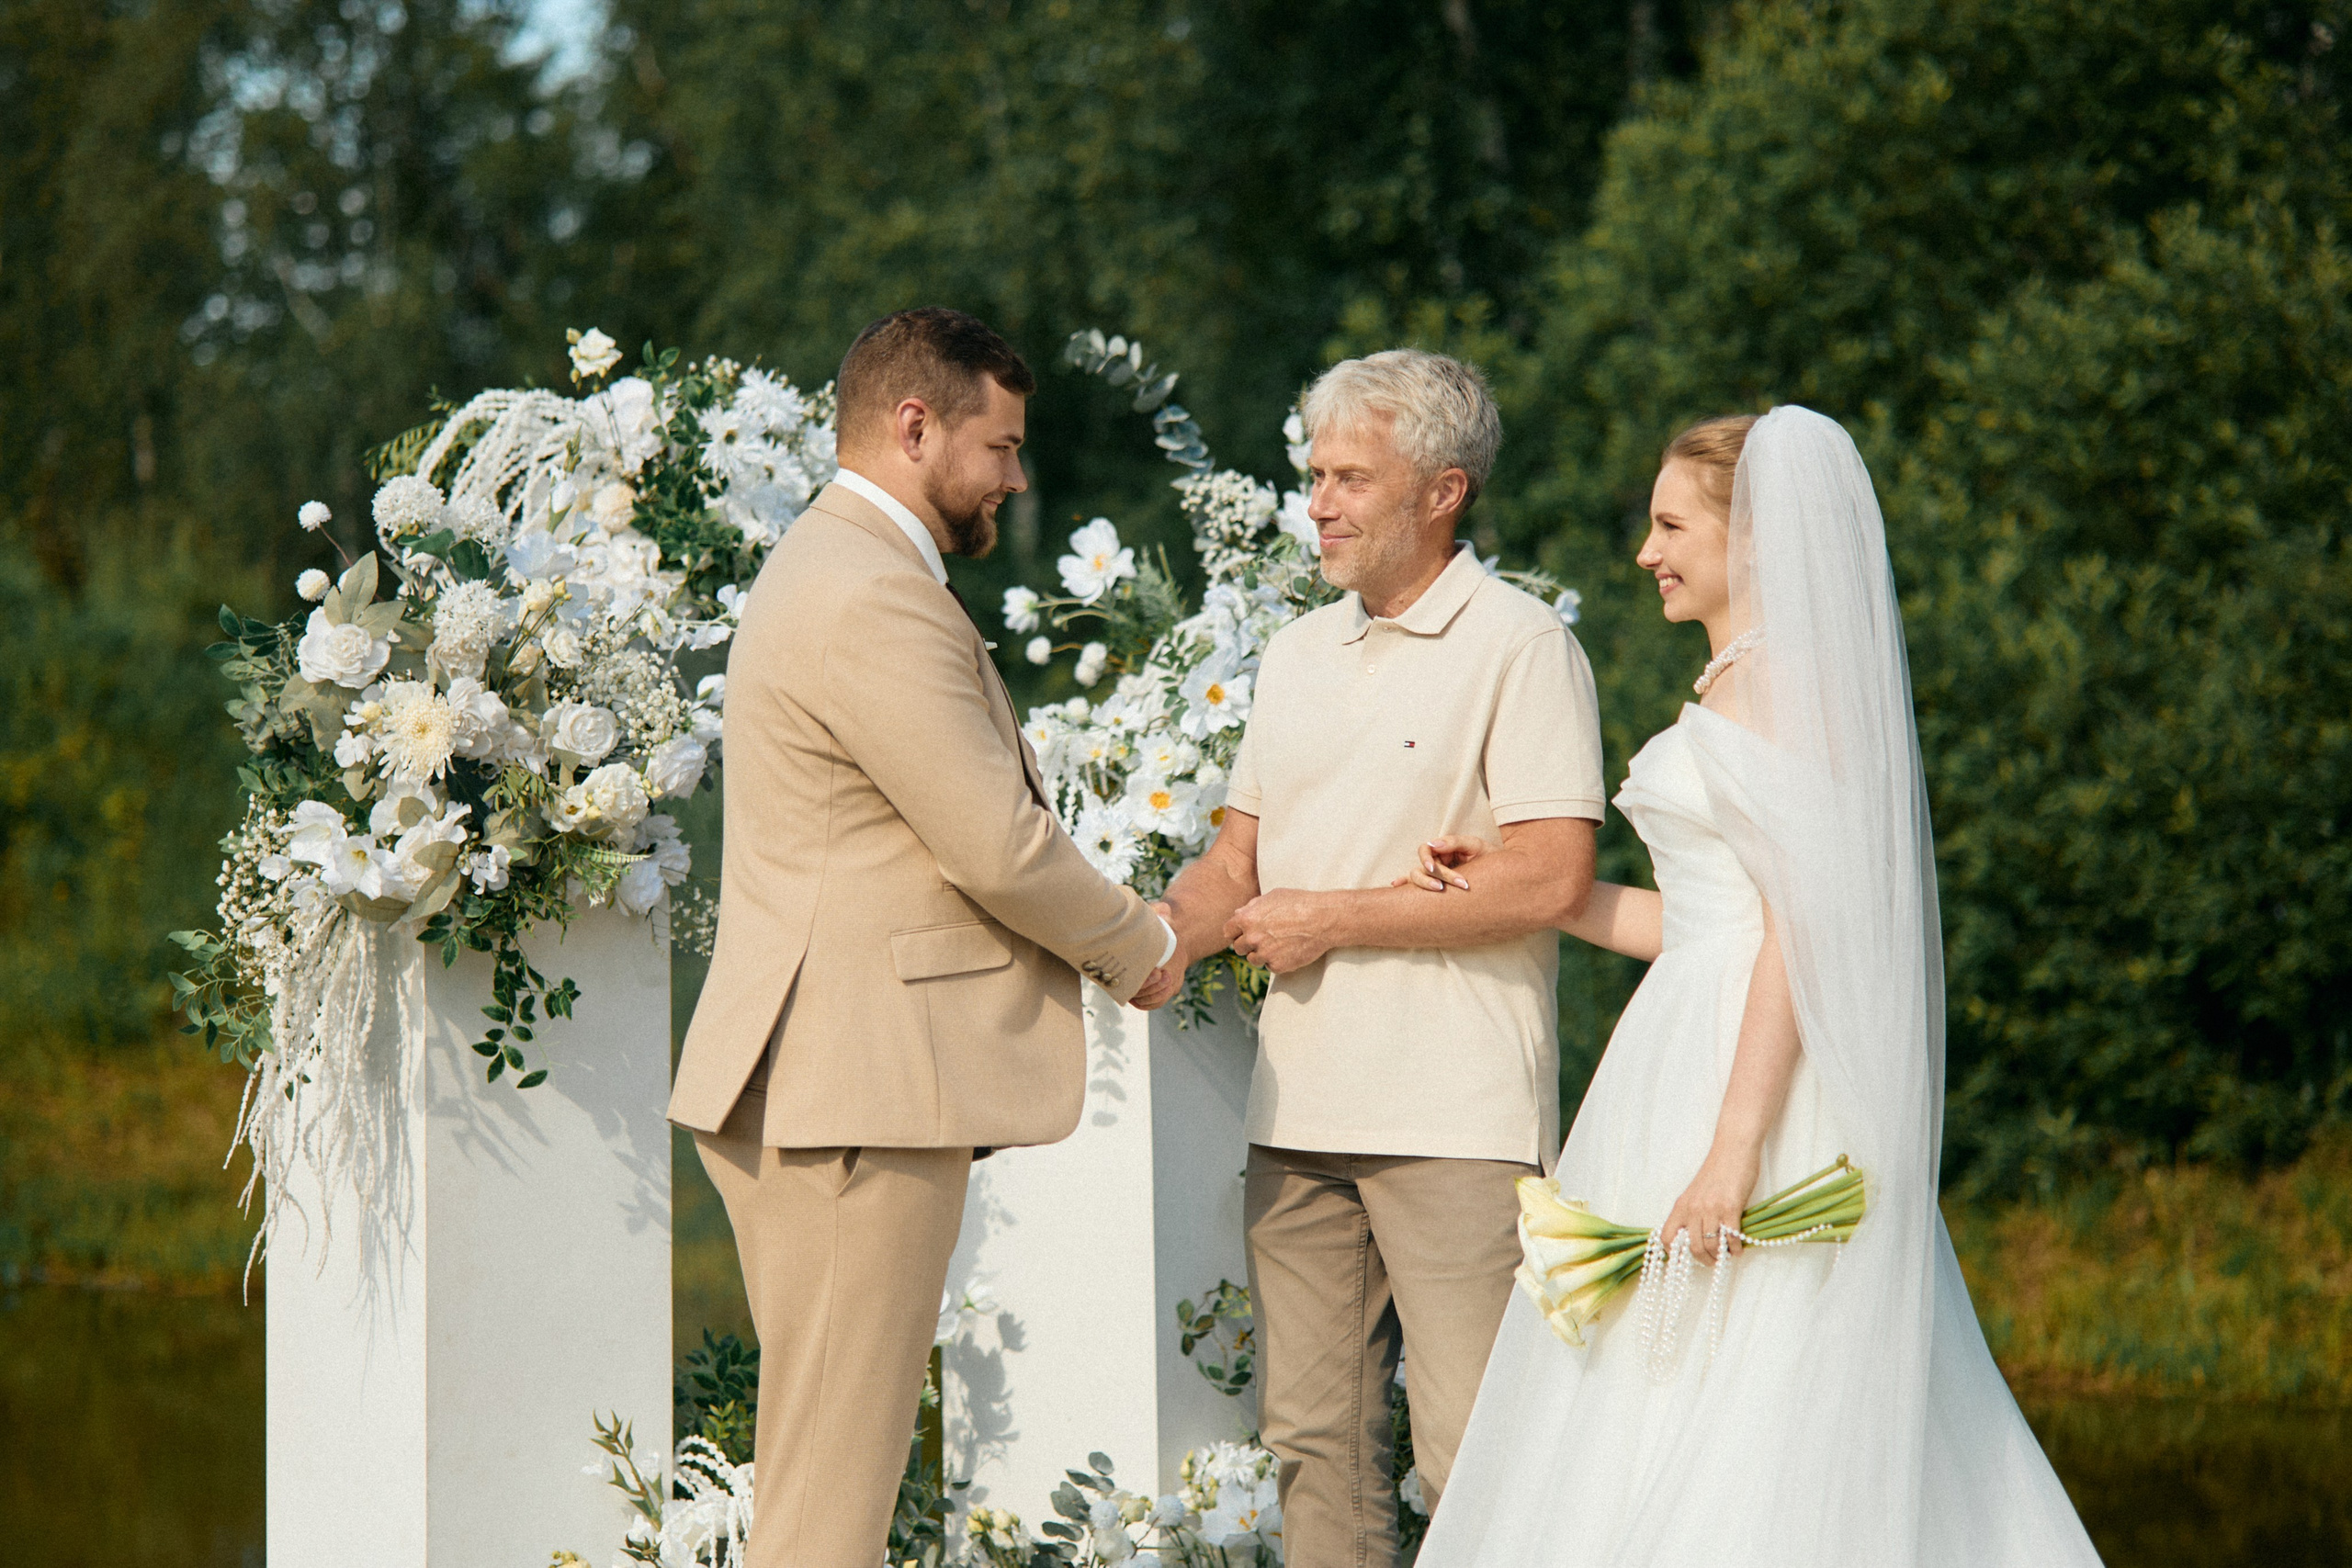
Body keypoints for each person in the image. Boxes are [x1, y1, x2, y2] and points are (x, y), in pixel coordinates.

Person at [1404, 408, 2102, 1566]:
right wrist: (1546, 892)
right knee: (1666, 1384)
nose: (1646, 552)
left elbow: (1799, 935)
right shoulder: (1743, 682)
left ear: (1757, 542)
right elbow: (1706, 926)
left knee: (1749, 1379)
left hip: (1748, 1077)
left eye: (1671, 524)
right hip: (1690, 1040)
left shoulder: (1773, 690)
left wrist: (1734, 1148)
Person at [665, 308, 1180, 1568]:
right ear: (914, 426)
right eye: (999, 445)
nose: (1014, 474)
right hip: (851, 1090)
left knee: (817, 1477)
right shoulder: (867, 590)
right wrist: (1146, 943)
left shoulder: (838, 566)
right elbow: (996, 841)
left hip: (835, 1079)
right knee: (828, 1505)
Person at [1154, 349, 1605, 1565]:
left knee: (1470, 1455)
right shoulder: (1297, 653)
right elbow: (1233, 867)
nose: (1320, 501)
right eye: (1313, 474)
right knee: (1315, 1453)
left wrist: (1332, 918)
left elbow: (1554, 874)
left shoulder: (1523, 644)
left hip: (1455, 1117)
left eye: (1352, 474)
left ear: (1444, 490)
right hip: (1297, 1109)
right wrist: (1140, 941)